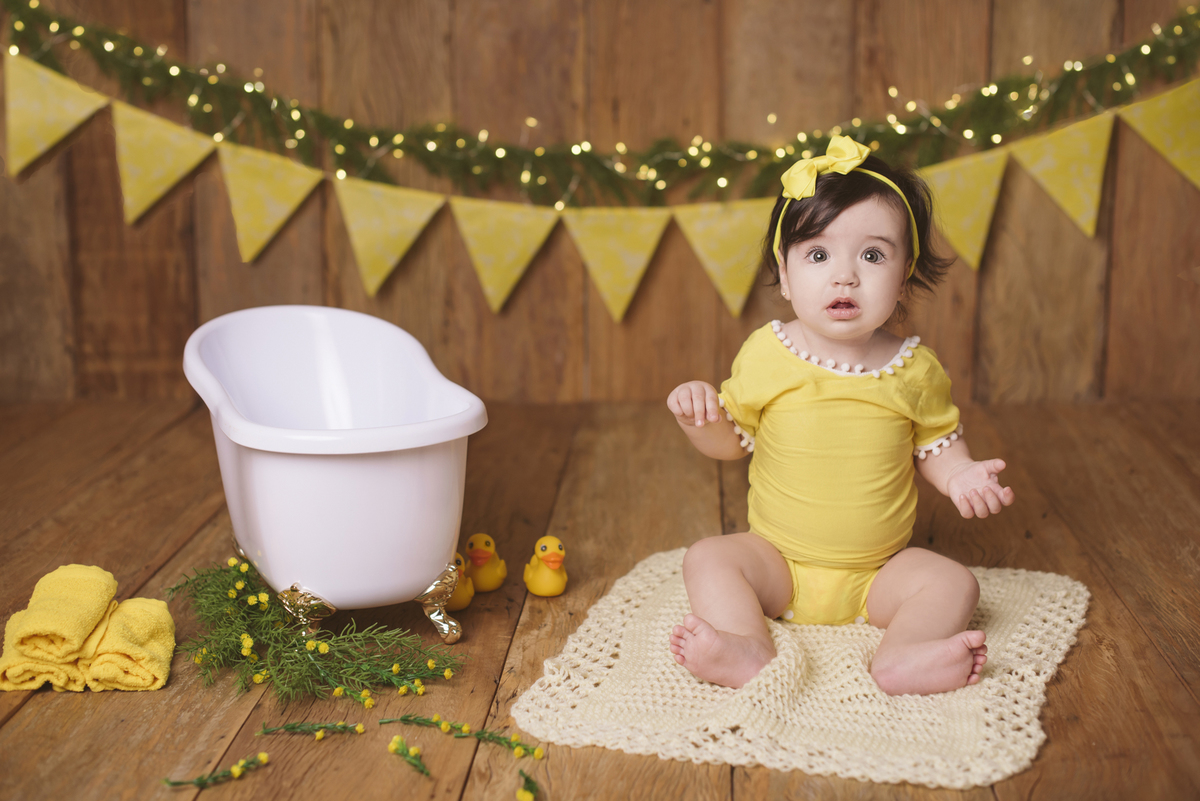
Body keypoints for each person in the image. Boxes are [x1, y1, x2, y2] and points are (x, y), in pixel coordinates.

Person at [666, 136, 1015, 696]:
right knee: (708, 558)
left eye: (873, 255)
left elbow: (936, 443)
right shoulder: (768, 352)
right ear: (784, 274)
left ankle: (903, 657)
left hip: (880, 573)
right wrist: (699, 418)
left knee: (954, 583)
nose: (845, 276)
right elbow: (733, 442)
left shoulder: (914, 369)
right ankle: (747, 646)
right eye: (818, 255)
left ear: (905, 276)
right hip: (776, 562)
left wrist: (961, 475)